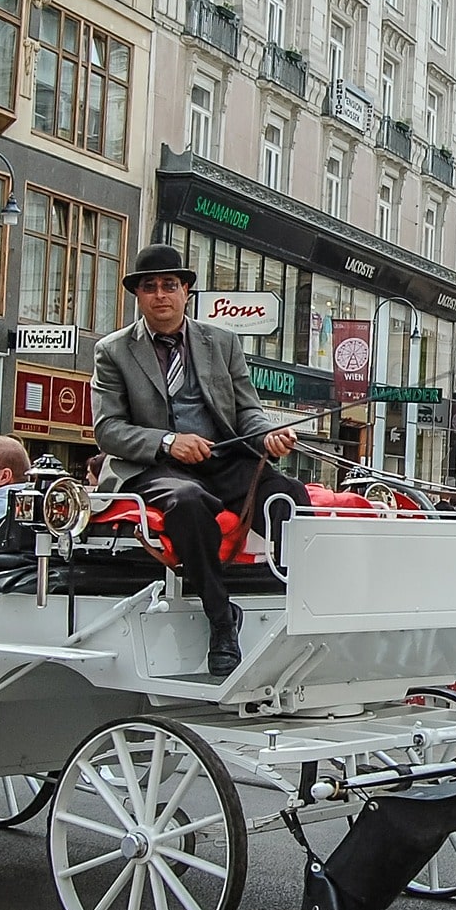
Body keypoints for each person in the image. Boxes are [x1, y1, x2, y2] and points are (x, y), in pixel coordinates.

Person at [93, 244, 310, 678]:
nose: (160, 295)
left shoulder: (222, 342)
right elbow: (108, 429)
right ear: (138, 294)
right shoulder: (113, 351)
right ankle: (221, 619)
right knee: (188, 500)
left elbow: (246, 409)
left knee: (288, 494)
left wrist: (266, 433)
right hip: (155, 466)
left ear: (186, 290)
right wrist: (168, 441)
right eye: (150, 287)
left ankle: (300, 603)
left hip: (222, 457)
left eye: (170, 285)